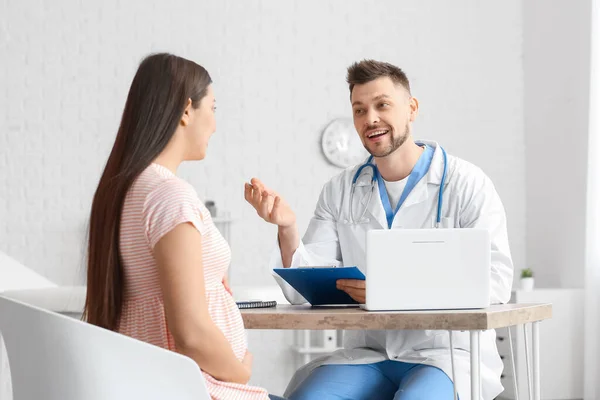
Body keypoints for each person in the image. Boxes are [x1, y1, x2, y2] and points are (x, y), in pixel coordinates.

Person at [245, 60, 514, 400]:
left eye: (382, 104)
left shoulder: (467, 184)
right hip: (369, 353)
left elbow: (497, 279)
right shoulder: (339, 190)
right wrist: (287, 228)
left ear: (411, 109)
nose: (369, 118)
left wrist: (395, 292)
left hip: (444, 355)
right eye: (359, 110)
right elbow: (302, 291)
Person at [83, 53, 284, 400]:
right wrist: (241, 369)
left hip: (151, 383)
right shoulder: (170, 195)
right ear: (187, 110)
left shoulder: (125, 190)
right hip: (197, 388)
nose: (216, 125)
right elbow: (189, 332)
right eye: (214, 109)